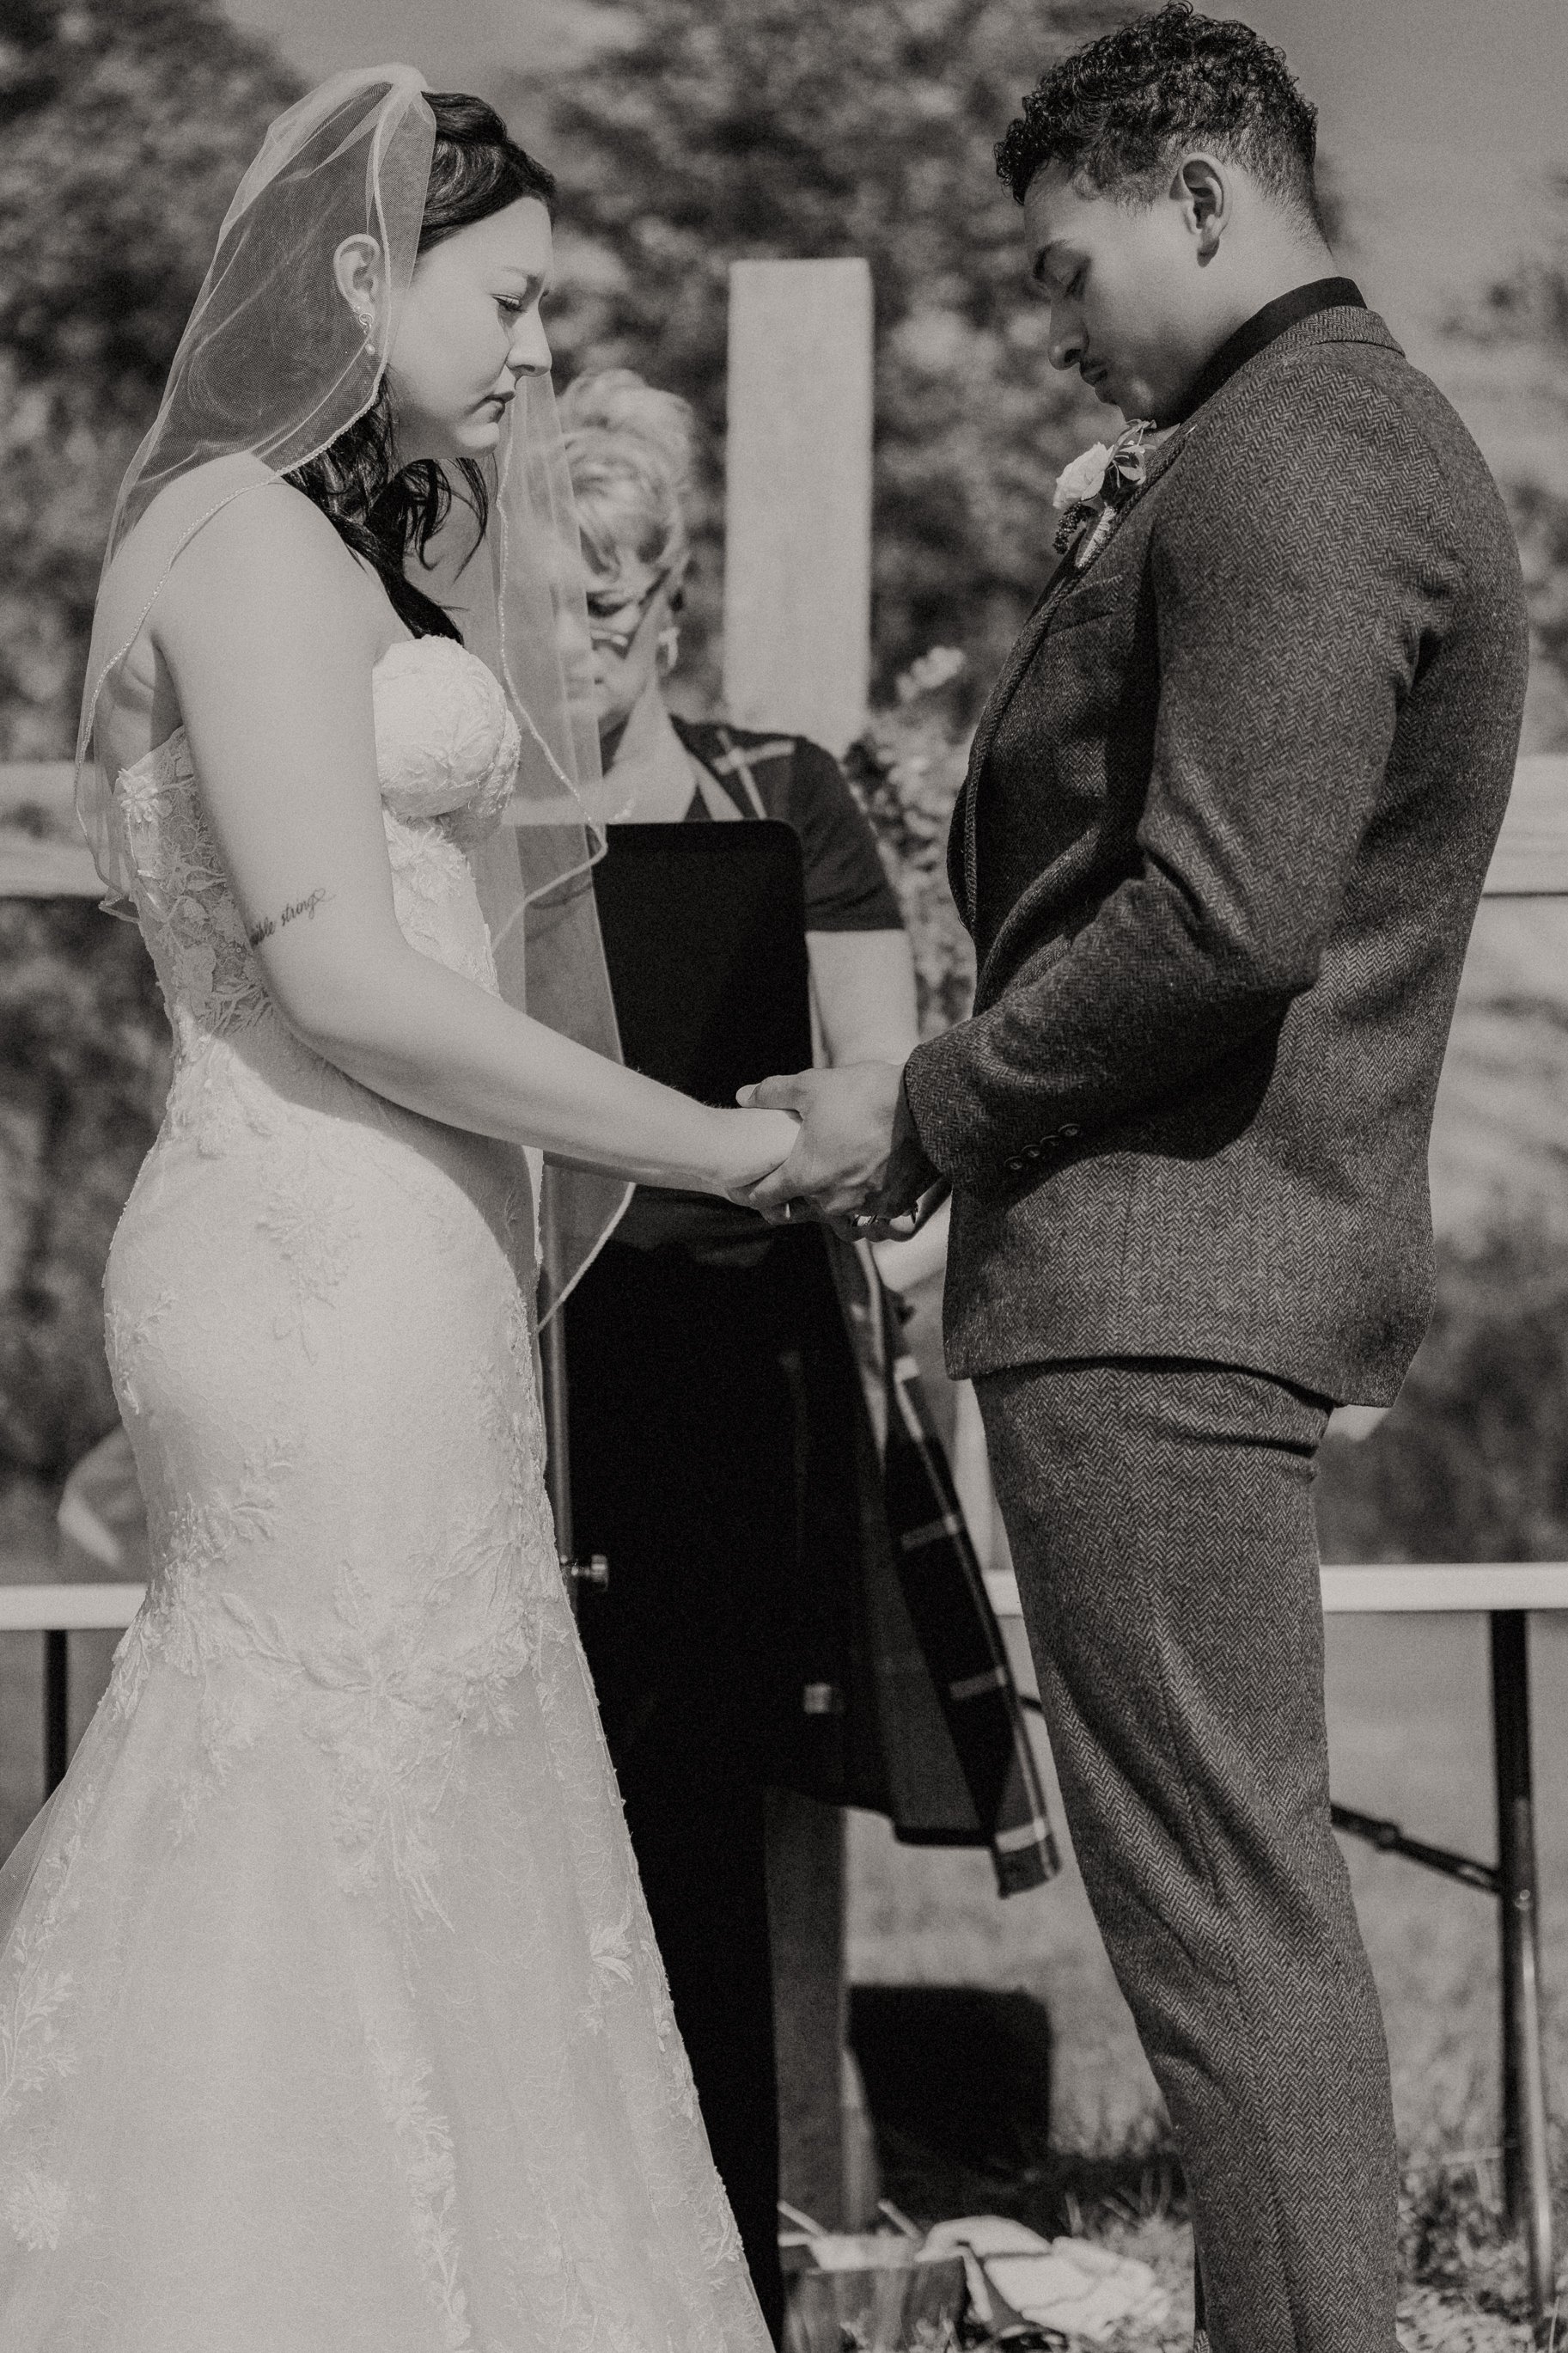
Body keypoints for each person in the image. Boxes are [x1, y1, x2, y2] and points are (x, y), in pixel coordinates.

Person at [744, 9, 1530, 2350]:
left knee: (1220, 1921)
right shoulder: (1268, 450)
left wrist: (924, 1108)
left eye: (1068, 262)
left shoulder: (1303, 460)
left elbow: (1218, 915)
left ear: (1198, 191)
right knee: (1222, 1911)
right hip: (1165, 1270)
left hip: (1169, 1270)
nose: (1053, 315)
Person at [0, 71, 792, 2350]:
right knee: (308, 1790)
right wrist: (713, 1137)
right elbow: (338, 971)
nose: (538, 348)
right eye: (514, 295)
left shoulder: (332, 547)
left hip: (406, 1274)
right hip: (307, 1256)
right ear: (360, 270)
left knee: (438, 1795)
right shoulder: (241, 543)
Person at [554, 370, 1054, 2342]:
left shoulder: (785, 792)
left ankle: (715, 2266)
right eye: (548, 594)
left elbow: (861, 1089)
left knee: (701, 1830)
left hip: (721, 1346)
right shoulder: (444, 798)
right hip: (509, 1341)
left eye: (616, 598)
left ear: (667, 603)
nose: (582, 637)